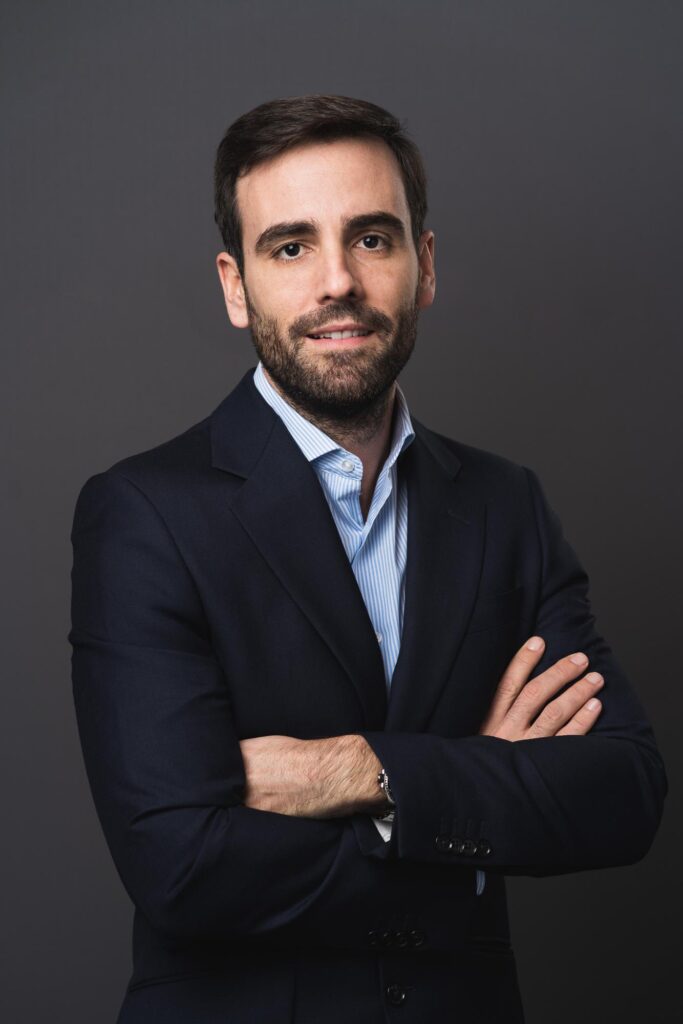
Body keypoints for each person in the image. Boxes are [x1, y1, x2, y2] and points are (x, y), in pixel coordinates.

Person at [69, 94, 667, 1024]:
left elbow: (623, 795)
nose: (338, 281)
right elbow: (181, 866)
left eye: (372, 239)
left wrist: (359, 771)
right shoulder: (143, 513)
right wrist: (472, 793)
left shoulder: (503, 505)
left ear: (423, 265)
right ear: (236, 286)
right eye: (290, 247)